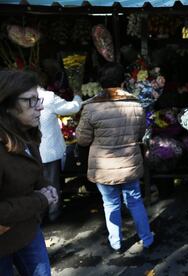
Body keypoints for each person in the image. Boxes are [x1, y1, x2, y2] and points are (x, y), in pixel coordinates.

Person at [76, 63, 153, 253]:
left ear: (101, 82)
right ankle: (147, 239)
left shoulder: (91, 107)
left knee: (110, 203)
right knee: (135, 201)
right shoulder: (136, 104)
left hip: (104, 167)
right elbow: (140, 133)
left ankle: (116, 243)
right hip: (130, 164)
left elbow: (82, 140)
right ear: (122, 82)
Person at [0, 70, 58, 275]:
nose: (40, 107)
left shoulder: (24, 133)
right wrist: (41, 200)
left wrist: (45, 186)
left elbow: (32, 173)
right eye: (30, 101)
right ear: (6, 104)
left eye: (38, 99)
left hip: (27, 231)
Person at [38, 86, 83, 221]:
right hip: (48, 150)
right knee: (51, 183)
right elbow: (72, 108)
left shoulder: (18, 97)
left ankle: (41, 215)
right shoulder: (48, 97)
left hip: (32, 150)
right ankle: (53, 214)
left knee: (37, 184)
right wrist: (77, 96)